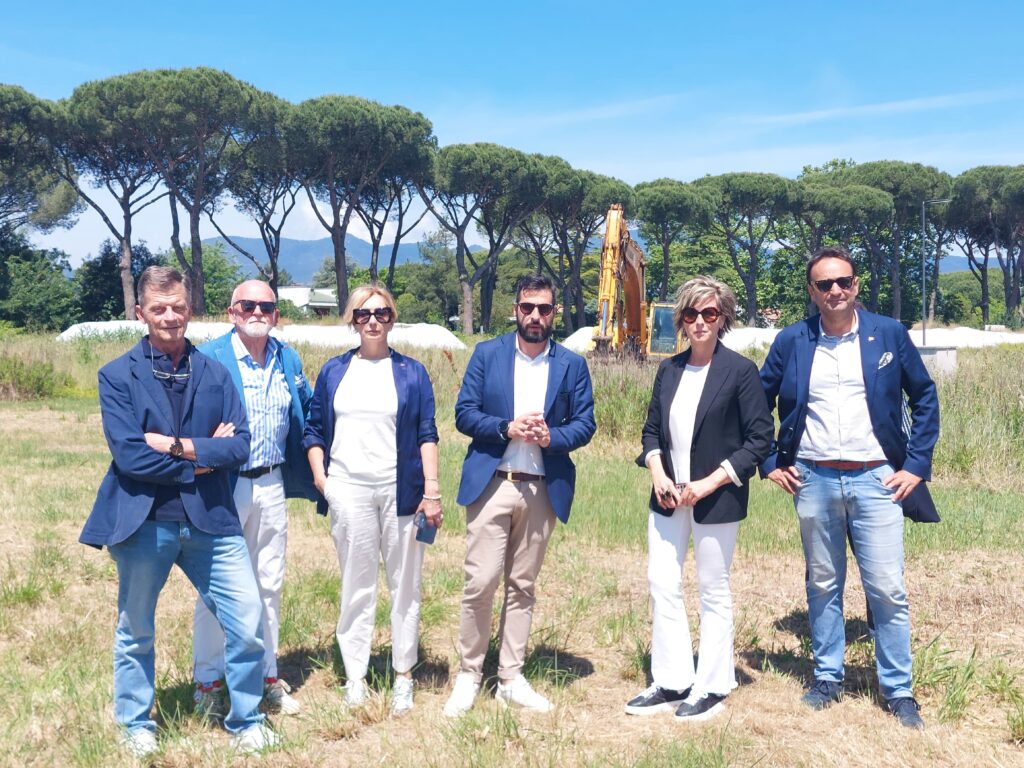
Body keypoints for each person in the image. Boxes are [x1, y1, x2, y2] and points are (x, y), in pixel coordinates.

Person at [79, 266, 278, 758]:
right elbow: (130, 456)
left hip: (212, 520)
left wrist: (177, 447)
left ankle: (247, 719)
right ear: (140, 312)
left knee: (248, 621)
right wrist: (204, 457)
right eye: (159, 308)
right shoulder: (116, 376)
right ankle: (136, 724)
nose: (170, 316)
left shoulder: (215, 373)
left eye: (178, 307)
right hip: (144, 521)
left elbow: (240, 447)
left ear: (190, 309)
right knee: (136, 630)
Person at [759, 247, 939, 730]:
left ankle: (898, 691)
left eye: (843, 282)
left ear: (856, 285)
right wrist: (770, 461)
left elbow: (924, 396)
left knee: (887, 588)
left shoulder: (889, 333)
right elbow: (756, 401)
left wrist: (916, 465)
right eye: (824, 284)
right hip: (813, 478)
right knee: (823, 583)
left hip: (878, 479)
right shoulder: (792, 340)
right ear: (812, 291)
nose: (835, 291)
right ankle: (827, 677)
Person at [443, 274, 597, 717]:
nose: (535, 316)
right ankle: (470, 674)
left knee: (522, 586)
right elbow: (464, 414)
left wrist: (552, 437)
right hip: (492, 483)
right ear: (515, 309)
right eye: (527, 307)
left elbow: (585, 424)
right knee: (481, 582)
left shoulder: (571, 365)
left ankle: (510, 677)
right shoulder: (487, 354)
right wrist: (505, 428)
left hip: (540, 488)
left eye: (544, 309)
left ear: (555, 313)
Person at [626, 277, 773, 721]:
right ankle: (672, 680)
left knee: (713, 589)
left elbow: (759, 440)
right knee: (661, 582)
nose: (700, 322)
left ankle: (712, 685)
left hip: (716, 498)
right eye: (691, 314)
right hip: (668, 497)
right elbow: (652, 430)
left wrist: (709, 483)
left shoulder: (741, 372)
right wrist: (658, 473)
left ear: (722, 318)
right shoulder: (669, 369)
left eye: (709, 314)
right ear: (681, 320)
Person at [303, 284, 440, 715]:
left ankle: (403, 676)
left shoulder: (412, 372)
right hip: (348, 491)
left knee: (405, 586)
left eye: (382, 313)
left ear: (393, 319)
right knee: (356, 586)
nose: (373, 321)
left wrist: (432, 491)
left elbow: (427, 433)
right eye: (363, 315)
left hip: (402, 492)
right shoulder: (334, 371)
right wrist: (323, 481)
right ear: (352, 321)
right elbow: (314, 429)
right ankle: (355, 676)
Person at [191, 279, 317, 719]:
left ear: (277, 314)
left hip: (271, 483)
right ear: (232, 312)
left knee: (269, 584)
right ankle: (208, 683)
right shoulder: (208, 357)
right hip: (222, 486)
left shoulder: (287, 357)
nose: (257, 312)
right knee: (216, 588)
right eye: (248, 305)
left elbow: (308, 411)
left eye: (266, 306)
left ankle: (266, 677)